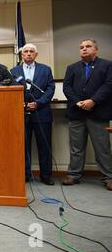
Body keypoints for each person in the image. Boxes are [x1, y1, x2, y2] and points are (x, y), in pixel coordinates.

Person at [62, 39, 112, 190]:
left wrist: (93, 101)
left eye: (88, 46)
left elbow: (109, 85)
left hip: (98, 112)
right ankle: (74, 175)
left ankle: (109, 177)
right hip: (76, 113)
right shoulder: (72, 68)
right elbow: (67, 87)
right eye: (81, 47)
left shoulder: (107, 65)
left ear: (96, 50)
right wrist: (78, 102)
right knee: (76, 147)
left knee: (102, 147)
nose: (84, 49)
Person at [11, 43, 55, 185]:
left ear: (36, 54)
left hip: (41, 113)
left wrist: (39, 103)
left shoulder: (45, 69)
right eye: (25, 51)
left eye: (31, 51)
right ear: (21, 55)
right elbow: (11, 90)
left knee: (44, 146)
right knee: (23, 147)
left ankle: (46, 175)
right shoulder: (13, 71)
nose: (28, 54)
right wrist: (21, 104)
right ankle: (25, 174)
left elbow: (50, 89)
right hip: (21, 113)